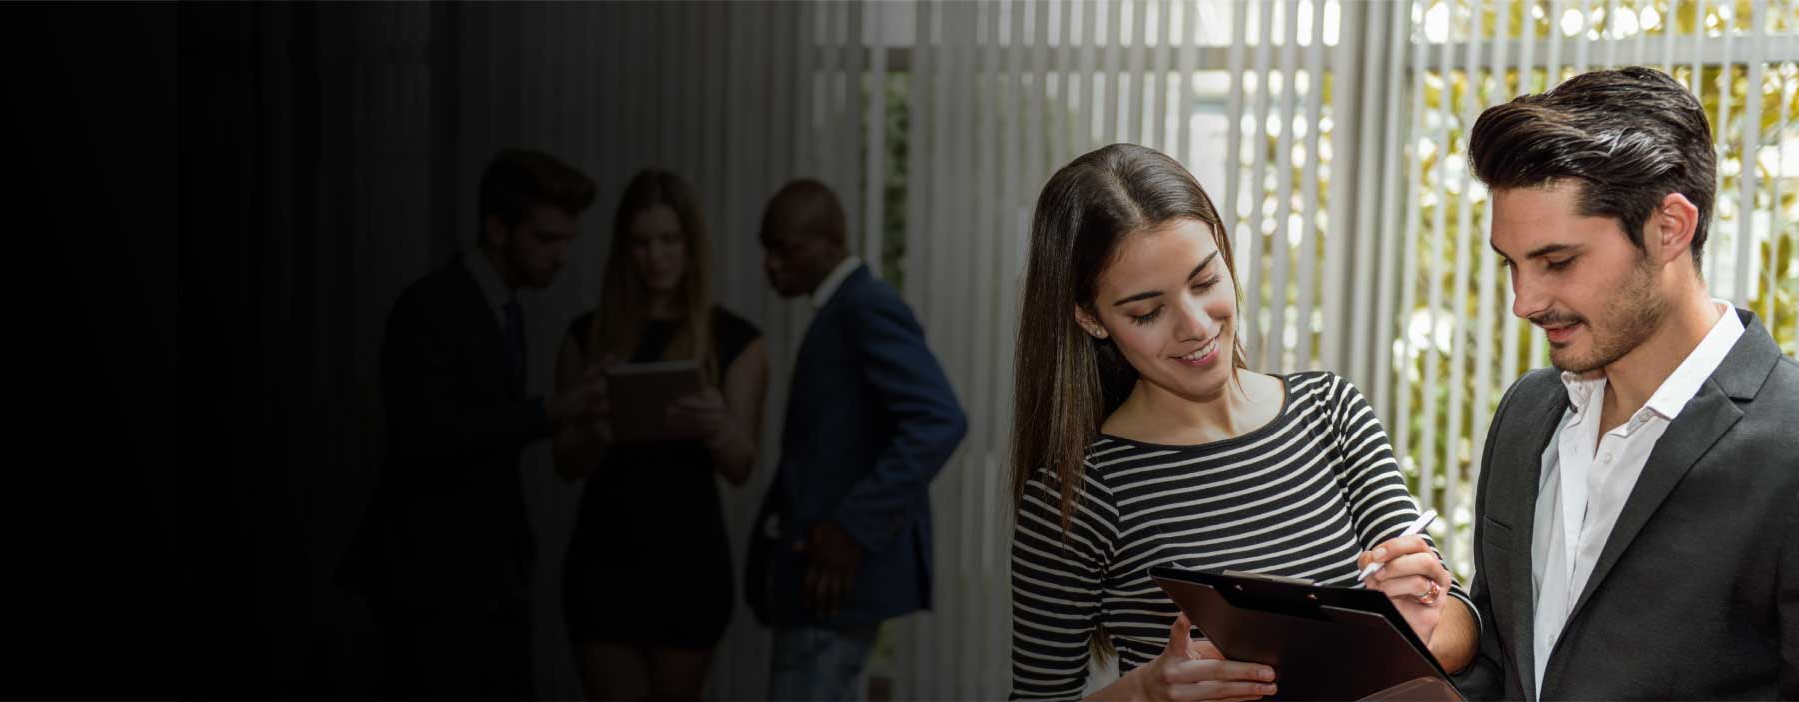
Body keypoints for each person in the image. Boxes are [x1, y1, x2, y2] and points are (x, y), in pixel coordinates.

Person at [1007, 144, 1480, 701]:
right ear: (1090, 318)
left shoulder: (1329, 412)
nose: (1195, 325)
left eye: (1206, 281)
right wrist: (1146, 692)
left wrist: (1418, 616)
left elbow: (1460, 624)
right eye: (1147, 312)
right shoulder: (1078, 495)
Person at [1456, 66, 1799, 701]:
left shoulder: (1790, 444)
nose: (1524, 302)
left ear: (1670, 227)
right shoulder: (1527, 416)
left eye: (1558, 261)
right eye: (1512, 265)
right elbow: (1503, 669)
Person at [340, 148, 607, 700]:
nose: (560, 257)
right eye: (546, 238)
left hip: (487, 581)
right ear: (497, 229)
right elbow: (426, 437)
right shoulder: (430, 307)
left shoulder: (507, 308)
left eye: (567, 241)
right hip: (431, 583)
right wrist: (549, 411)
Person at [742, 179, 969, 701]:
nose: (771, 265)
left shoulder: (863, 306)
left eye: (785, 248)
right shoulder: (844, 309)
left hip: (833, 581)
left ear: (830, 240)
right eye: (766, 249)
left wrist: (852, 528)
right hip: (819, 579)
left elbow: (940, 419)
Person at [553, 168, 770, 701]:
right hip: (604, 560)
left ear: (690, 244)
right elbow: (565, 463)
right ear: (623, 250)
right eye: (641, 242)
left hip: (688, 564)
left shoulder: (736, 341)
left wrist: (717, 426)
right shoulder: (587, 336)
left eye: (669, 240)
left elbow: (741, 466)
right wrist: (596, 427)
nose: (656, 256)